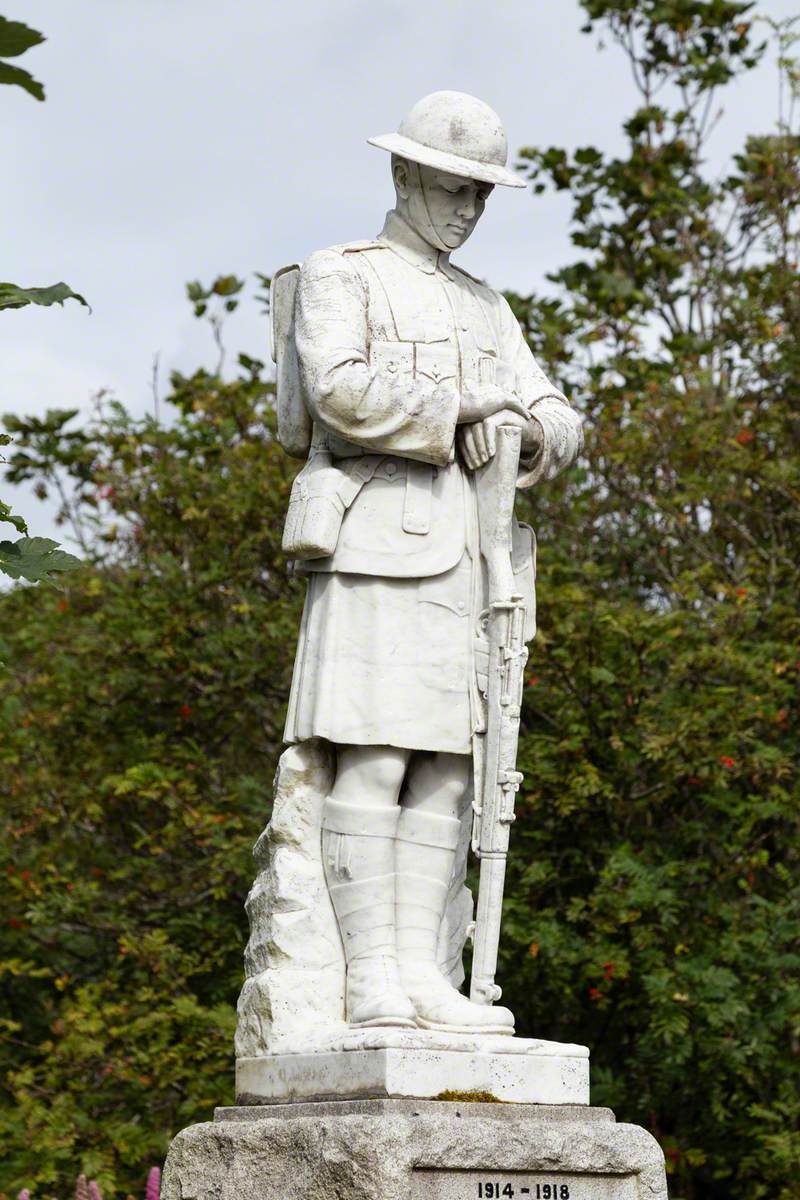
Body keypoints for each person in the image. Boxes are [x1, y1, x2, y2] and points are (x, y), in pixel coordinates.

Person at [281, 91, 583, 1033]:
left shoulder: (486, 304)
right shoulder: (345, 273)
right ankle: (366, 978)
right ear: (405, 174)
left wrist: (527, 429)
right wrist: (467, 405)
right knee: (372, 763)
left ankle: (423, 976)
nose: (467, 209)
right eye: (454, 188)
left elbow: (556, 413)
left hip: (471, 557)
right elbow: (336, 393)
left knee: (451, 772)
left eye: (481, 196)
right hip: (376, 543)